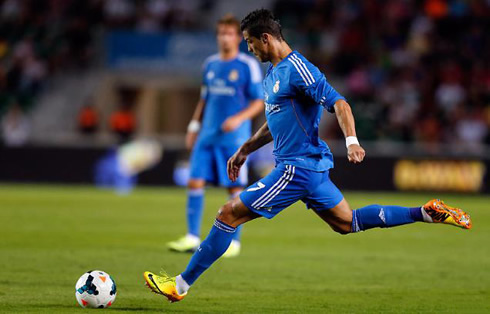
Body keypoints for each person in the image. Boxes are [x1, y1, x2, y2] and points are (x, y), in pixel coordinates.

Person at [144, 9, 472, 302]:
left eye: (250, 42)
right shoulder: (274, 75)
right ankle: (427, 212)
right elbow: (274, 125)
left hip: (295, 169)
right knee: (348, 223)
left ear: (266, 38)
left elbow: (339, 103)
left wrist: (352, 141)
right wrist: (245, 149)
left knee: (228, 213)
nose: (249, 48)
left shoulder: (299, 69)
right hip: (311, 171)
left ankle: (180, 285)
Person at [166, 14, 264, 258]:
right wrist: (193, 126)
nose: (224, 38)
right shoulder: (210, 64)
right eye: (221, 33)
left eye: (229, 33)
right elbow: (204, 98)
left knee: (235, 188)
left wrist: (239, 119)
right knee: (195, 182)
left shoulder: (247, 65)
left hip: (233, 140)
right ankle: (191, 237)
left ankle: (235, 242)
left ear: (238, 38)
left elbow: (258, 102)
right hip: (207, 136)